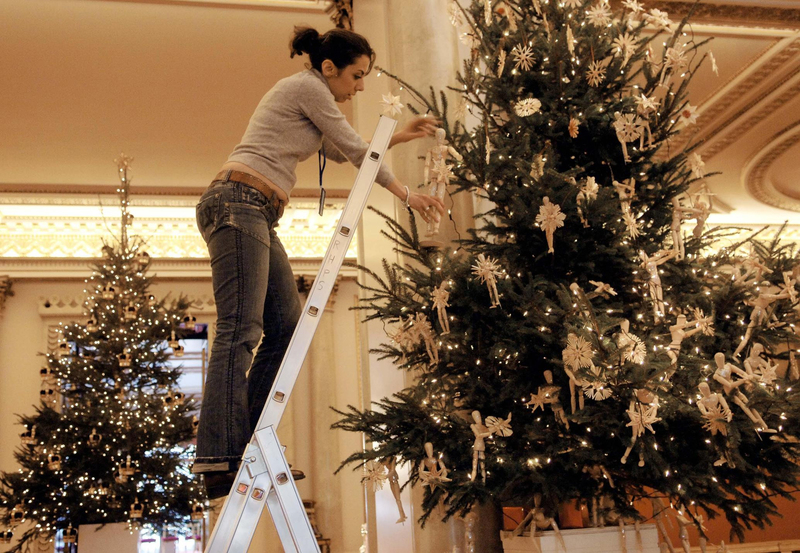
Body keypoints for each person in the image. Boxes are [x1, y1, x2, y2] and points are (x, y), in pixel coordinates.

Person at [193, 25, 446, 499]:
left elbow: (339, 146)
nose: (361, 86)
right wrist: (406, 194)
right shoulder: (307, 87)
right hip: (237, 202)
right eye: (357, 75)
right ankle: (219, 455)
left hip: (254, 209)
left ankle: (246, 446)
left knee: (286, 326)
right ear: (329, 68)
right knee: (240, 329)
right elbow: (351, 147)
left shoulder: (311, 97)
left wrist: (398, 137)